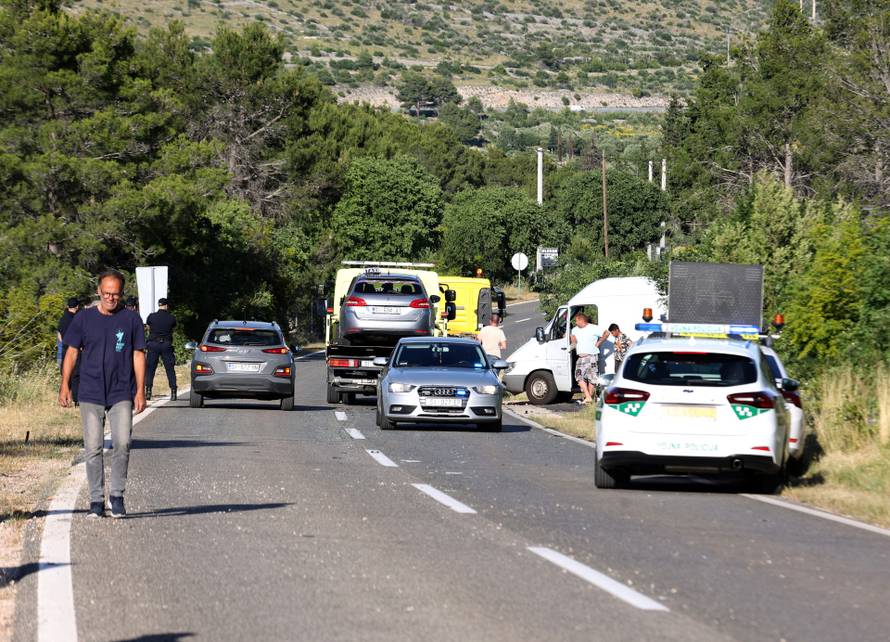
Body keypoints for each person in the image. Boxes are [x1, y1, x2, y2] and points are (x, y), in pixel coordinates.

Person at [59, 269, 146, 518]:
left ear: (121, 294)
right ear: (98, 291)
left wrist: (140, 390)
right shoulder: (84, 318)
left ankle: (117, 496)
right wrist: (64, 384)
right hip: (90, 390)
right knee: (93, 447)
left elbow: (138, 354)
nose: (110, 298)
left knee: (123, 443)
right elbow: (71, 352)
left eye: (115, 294)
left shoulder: (131, 320)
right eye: (106, 293)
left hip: (121, 390)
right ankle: (96, 500)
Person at [570, 312, 609, 405]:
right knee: (578, 377)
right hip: (580, 357)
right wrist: (572, 341)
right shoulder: (574, 330)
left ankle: (589, 398)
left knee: (592, 378)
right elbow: (574, 340)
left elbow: (607, 333)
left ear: (581, 320)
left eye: (576, 321)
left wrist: (599, 342)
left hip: (591, 356)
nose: (575, 323)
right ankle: (588, 396)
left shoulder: (593, 328)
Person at [145, 297, 177, 401]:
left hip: (153, 344)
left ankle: (148, 391)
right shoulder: (171, 318)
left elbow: (148, 327)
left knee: (150, 368)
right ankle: (173, 392)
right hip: (166, 345)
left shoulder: (151, 317)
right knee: (170, 368)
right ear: (166, 306)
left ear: (159, 305)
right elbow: (173, 327)